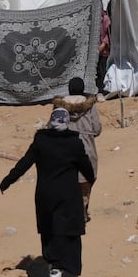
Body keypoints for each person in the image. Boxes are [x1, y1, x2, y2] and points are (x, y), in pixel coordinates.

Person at [0, 106, 95, 277]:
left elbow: (25, 162)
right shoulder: (74, 143)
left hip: (45, 194)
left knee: (49, 231)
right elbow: (86, 166)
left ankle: (54, 270)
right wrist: (91, 179)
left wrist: (7, 181)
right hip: (69, 195)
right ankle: (68, 270)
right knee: (69, 231)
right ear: (67, 123)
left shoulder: (41, 140)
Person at [63, 77, 101, 223]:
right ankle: (83, 211)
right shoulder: (89, 106)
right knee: (86, 182)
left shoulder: (60, 106)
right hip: (86, 148)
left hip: (66, 148)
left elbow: (52, 127)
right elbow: (96, 128)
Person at [95, 0, 114, 92]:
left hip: (104, 49)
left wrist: (103, 45)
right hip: (97, 49)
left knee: (103, 69)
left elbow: (109, 32)